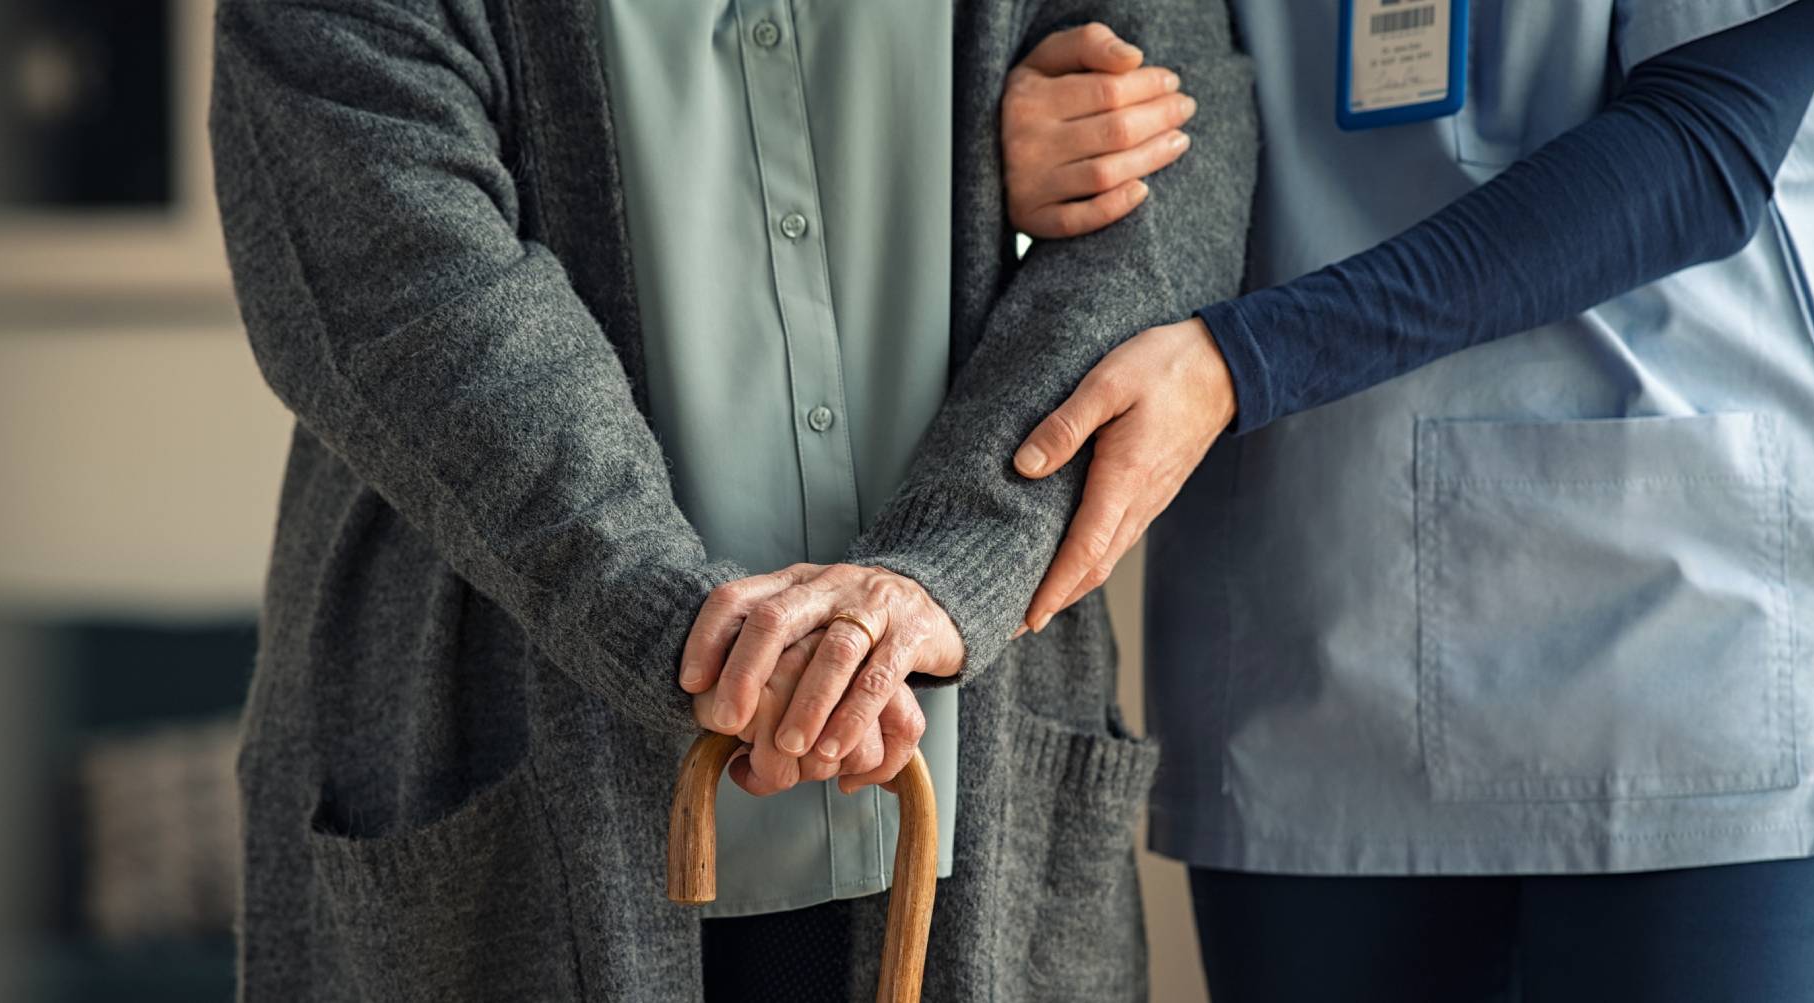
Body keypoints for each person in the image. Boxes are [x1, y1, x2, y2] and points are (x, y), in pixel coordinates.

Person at [209, 0, 1252, 998]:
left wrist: (946, 573)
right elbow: (403, 284)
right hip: (513, 770)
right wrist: (711, 637)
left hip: (968, 779)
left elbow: (1170, 187)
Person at [998, 0, 1814, 999]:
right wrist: (1015, 143)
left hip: (1675, 648)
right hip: (1308, 641)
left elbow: (1707, 144)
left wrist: (1248, 361)